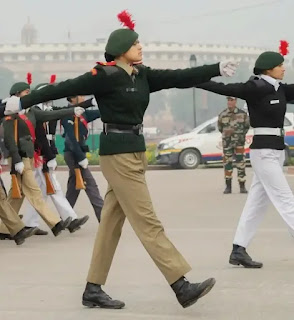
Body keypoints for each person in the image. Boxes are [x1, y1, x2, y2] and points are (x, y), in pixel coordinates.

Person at [4, 10, 237, 309]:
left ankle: (92, 289)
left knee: (111, 224)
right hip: (119, 155)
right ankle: (180, 284)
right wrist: (23, 101)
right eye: (135, 43)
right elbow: (65, 87)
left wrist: (215, 67)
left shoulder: (142, 76)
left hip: (135, 151)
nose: (141, 46)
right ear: (121, 50)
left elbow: (180, 77)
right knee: (147, 221)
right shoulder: (105, 76)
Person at [196, 49, 294, 268]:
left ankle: (238, 249)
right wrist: (196, 80)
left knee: (256, 203)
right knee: (286, 199)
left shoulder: (282, 89)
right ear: (269, 68)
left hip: (276, 151)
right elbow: (225, 89)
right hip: (263, 153)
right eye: (280, 65)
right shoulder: (256, 87)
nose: (284, 68)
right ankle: (239, 249)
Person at [0, 82, 85, 237]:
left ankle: (4, 228)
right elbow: (9, 138)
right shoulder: (10, 112)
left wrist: (72, 110)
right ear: (17, 94)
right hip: (18, 156)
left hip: (29, 156)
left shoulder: (32, 111)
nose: (29, 95)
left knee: (17, 194)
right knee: (34, 191)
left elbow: (51, 115)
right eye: (26, 93)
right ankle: (55, 224)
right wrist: (17, 159)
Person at [22, 84, 89, 234]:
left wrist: (86, 104)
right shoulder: (36, 112)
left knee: (41, 190)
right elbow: (40, 137)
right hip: (40, 153)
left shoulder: (47, 110)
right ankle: (70, 218)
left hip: (46, 151)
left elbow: (63, 111)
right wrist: (49, 156)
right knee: (54, 186)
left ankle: (29, 223)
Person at [62, 95, 103, 222]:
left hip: (78, 153)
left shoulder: (83, 113)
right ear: (72, 99)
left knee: (73, 188)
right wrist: (80, 158)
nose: (83, 98)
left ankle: (65, 217)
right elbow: (71, 139)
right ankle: (104, 217)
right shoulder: (67, 114)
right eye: (80, 96)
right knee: (91, 185)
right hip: (73, 154)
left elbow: (101, 113)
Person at [218, 96, 250, 194]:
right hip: (227, 144)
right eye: (228, 100)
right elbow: (220, 128)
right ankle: (228, 186)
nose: (230, 102)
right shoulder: (223, 114)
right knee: (227, 164)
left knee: (241, 164)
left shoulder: (242, 114)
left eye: (232, 100)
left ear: (235, 101)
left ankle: (242, 186)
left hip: (239, 143)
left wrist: (240, 135)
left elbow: (246, 126)